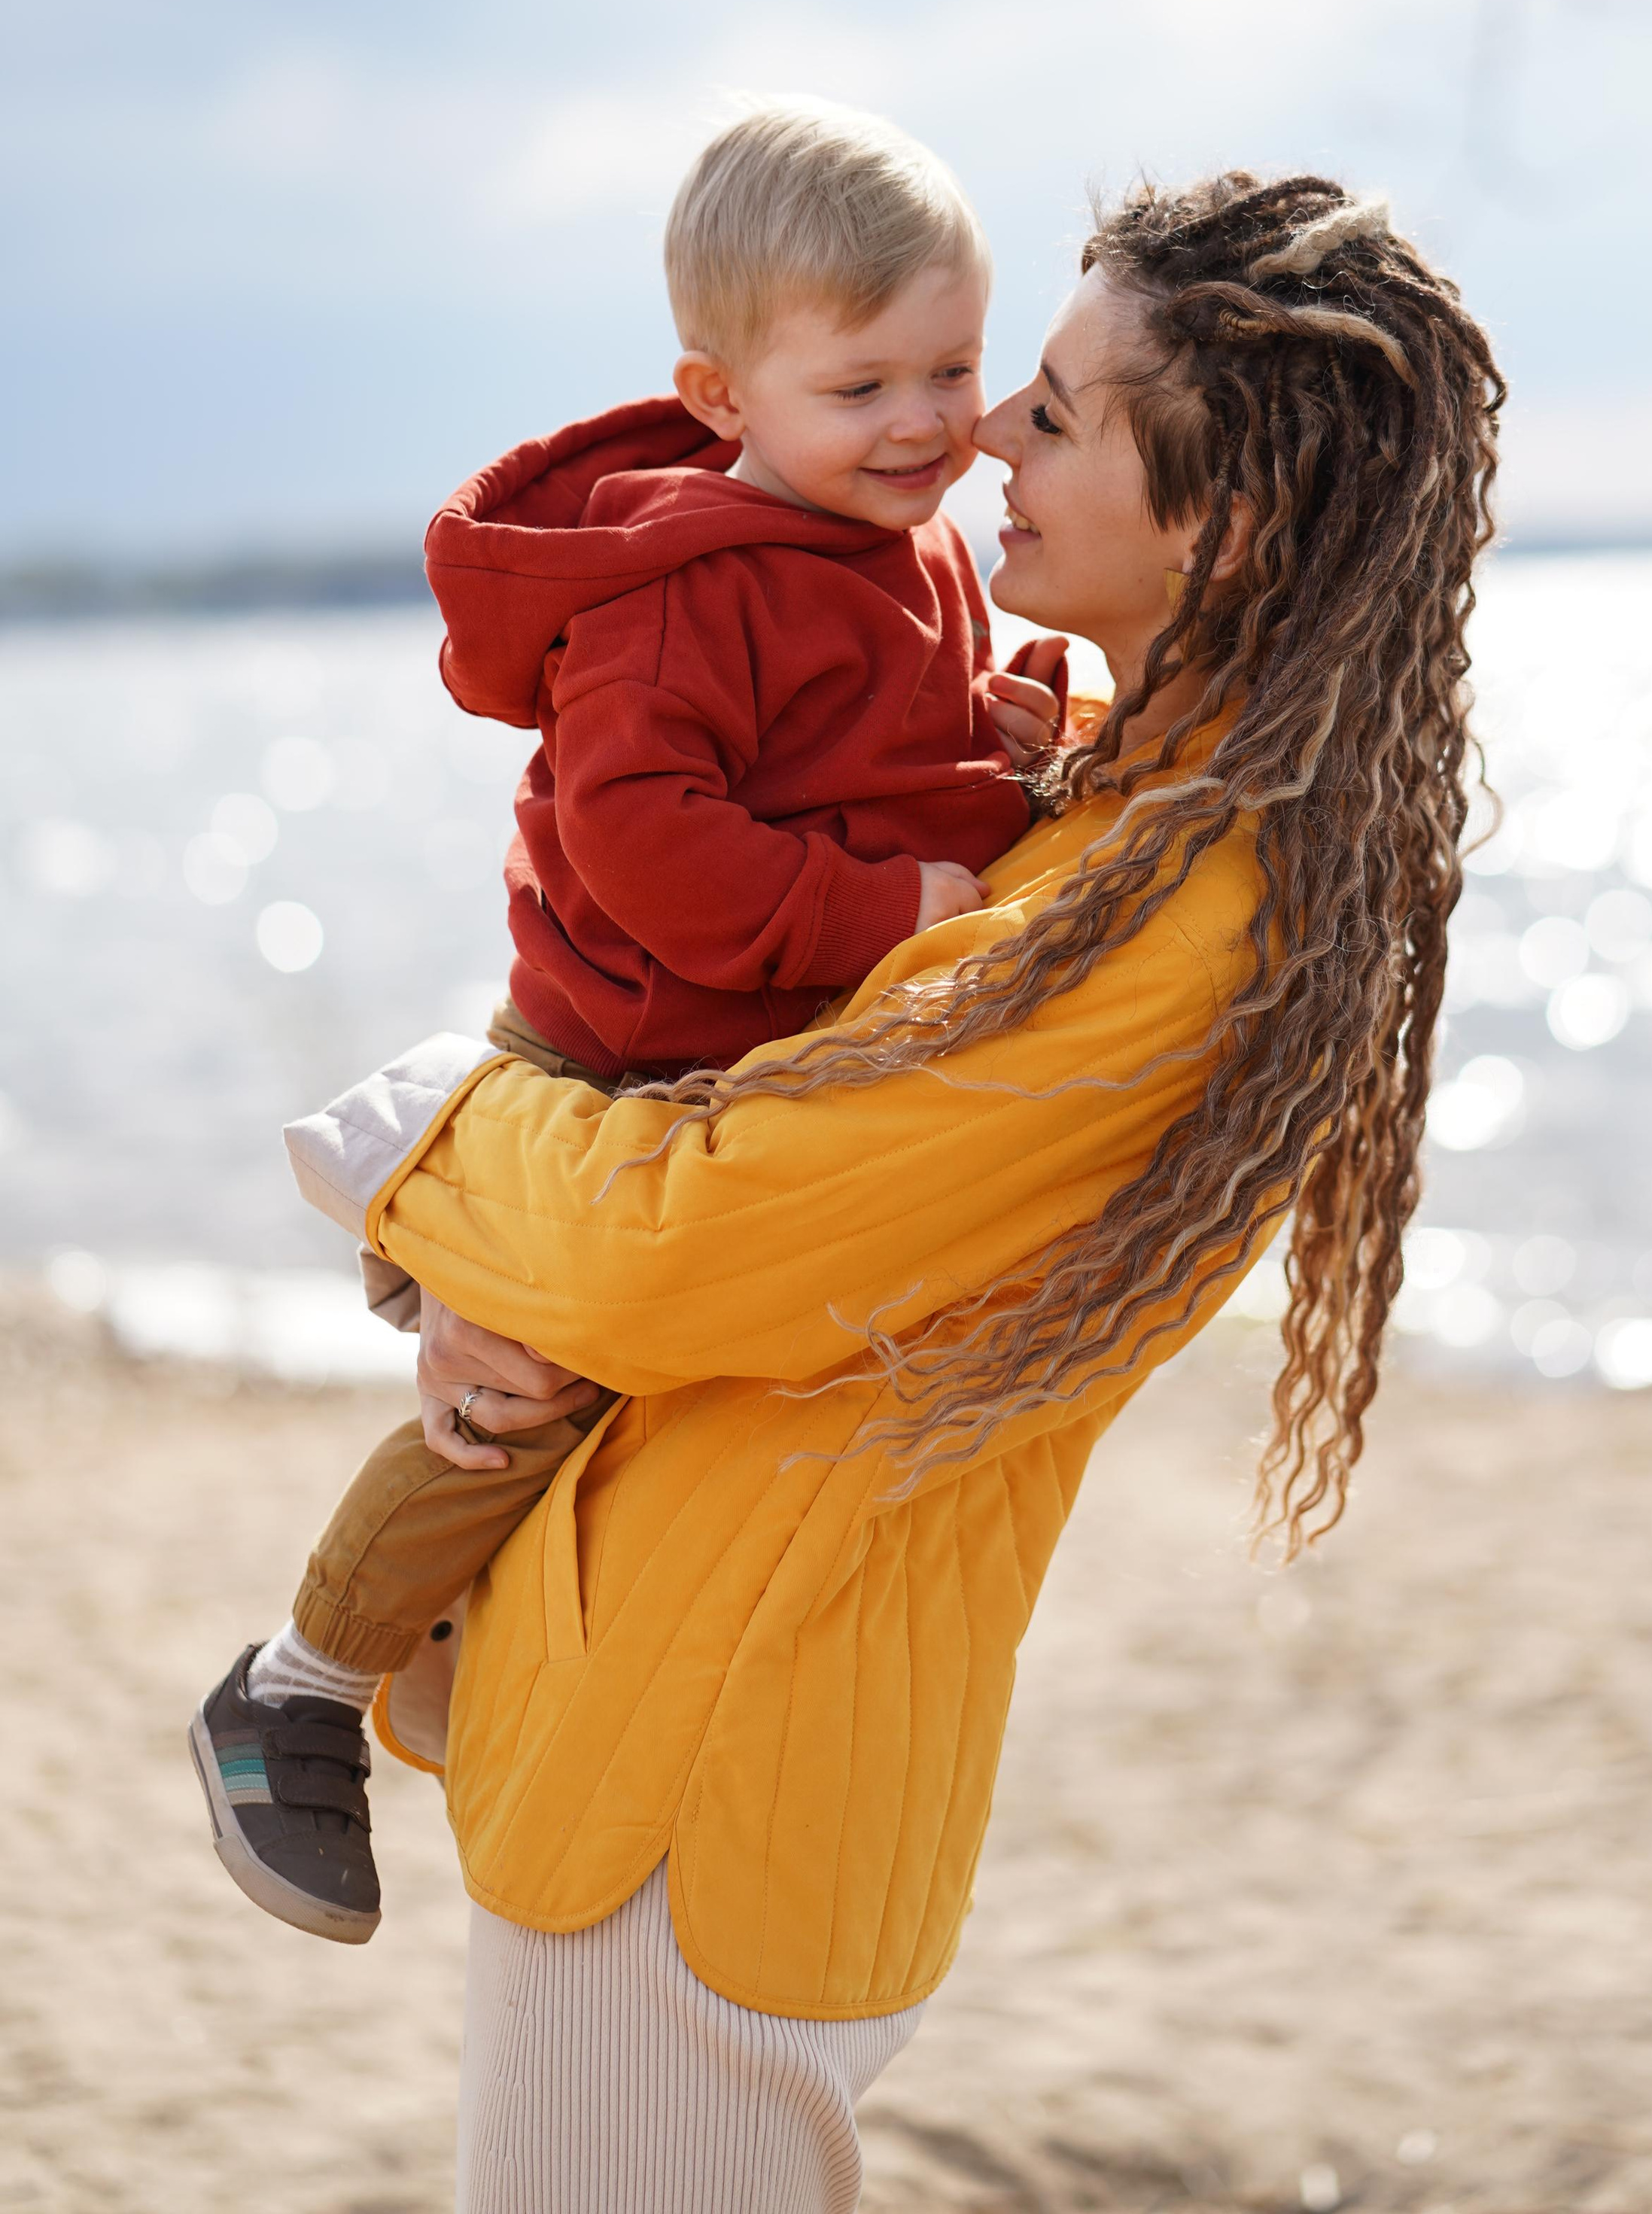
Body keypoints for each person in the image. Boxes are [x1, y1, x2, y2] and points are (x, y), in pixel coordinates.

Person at [276, 171, 1502, 2214]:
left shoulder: (1169, 914)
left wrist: (412, 1136)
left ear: (1231, 521)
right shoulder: (1091, 796)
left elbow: (681, 1248)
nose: (982, 440)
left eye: (1057, 408)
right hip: (681, 1730)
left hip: (714, 1795)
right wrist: (499, 1283)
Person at [190, 99, 1066, 1943]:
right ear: (721, 393)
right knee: (521, 1392)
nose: (923, 424)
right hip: (612, 1066)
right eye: (862, 387)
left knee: (646, 1422)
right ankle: (297, 1686)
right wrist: (877, 908)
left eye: (954, 370)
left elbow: (909, 723)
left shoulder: (898, 545)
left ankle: (447, 1637)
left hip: (729, 1076)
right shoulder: (681, 594)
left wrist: (1018, 724)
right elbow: (643, 841)